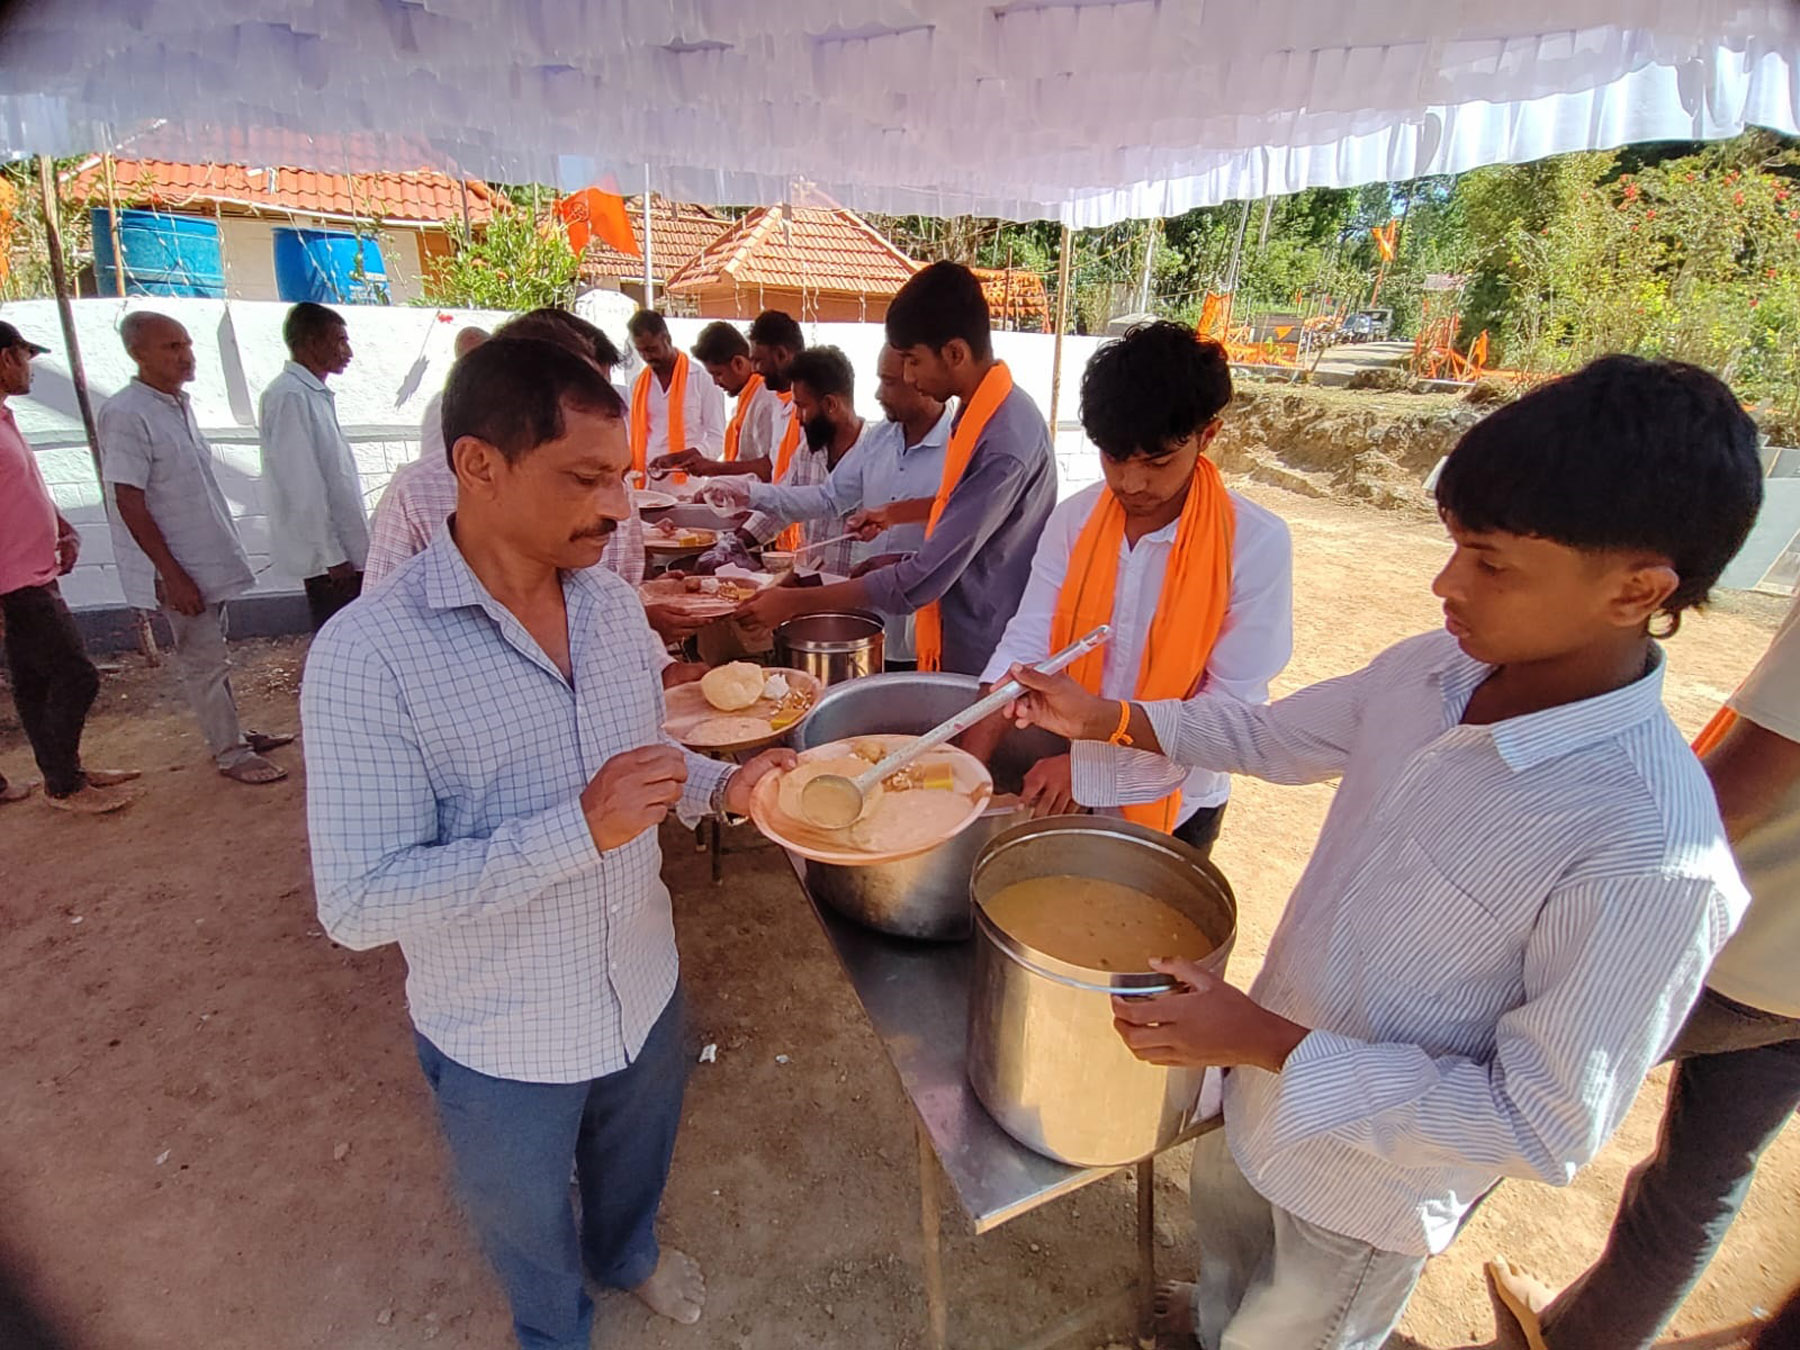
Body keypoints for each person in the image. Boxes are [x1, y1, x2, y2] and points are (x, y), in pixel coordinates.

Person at [999, 355, 1764, 1350]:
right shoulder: (1432, 672)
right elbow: (1269, 736)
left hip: (1363, 1194)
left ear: (1636, 590)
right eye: (1454, 546)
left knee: (1293, 1330)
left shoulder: (1652, 849)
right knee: (1227, 1266)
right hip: (1257, 1094)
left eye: (1490, 562)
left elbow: (1541, 1123)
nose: (1446, 583)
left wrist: (1270, 1044)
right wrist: (1112, 716)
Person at [301, 337, 793, 1350]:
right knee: (522, 1216)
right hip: (501, 1030)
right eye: (584, 479)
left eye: (618, 477)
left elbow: (646, 758)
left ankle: (627, 1255)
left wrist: (728, 785)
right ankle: (553, 1327)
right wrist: (575, 831)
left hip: (642, 979)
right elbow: (357, 902)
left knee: (635, 1157)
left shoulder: (613, 609)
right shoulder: (367, 655)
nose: (616, 509)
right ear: (478, 466)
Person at [1487, 590, 1800, 1350]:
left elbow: (1740, 789)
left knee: (1489, 1098)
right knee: (1700, 1184)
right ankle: (1579, 1339)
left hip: (1717, 941)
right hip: (1789, 985)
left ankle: (1334, 1292)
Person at [971, 322, 1292, 852]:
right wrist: (970, 759)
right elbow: (1030, 642)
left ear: (1207, 435)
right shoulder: (1075, 520)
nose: (1132, 483)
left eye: (1159, 461)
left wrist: (1092, 769)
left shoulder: (1255, 545)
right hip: (1066, 778)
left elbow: (1231, 711)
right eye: (1114, 458)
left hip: (1181, 802)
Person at [738, 263, 1057, 675]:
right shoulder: (979, 415)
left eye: (912, 361)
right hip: (957, 629)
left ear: (955, 353)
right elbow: (967, 536)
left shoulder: (1004, 441)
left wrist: (795, 603)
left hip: (984, 646)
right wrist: (895, 558)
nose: (909, 377)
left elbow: (924, 580)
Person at [98, 311, 292, 786]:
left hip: (204, 557)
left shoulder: (175, 406)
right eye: (170, 348)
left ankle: (231, 732)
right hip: (177, 566)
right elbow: (128, 498)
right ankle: (230, 753)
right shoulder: (126, 413)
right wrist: (170, 572)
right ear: (137, 354)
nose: (185, 356)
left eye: (186, 344)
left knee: (214, 654)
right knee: (202, 660)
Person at [703, 344, 951, 665]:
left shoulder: (958, 448)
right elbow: (829, 498)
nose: (877, 394)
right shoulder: (880, 440)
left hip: (931, 628)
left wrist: (796, 600)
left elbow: (958, 537)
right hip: (872, 623)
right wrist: (749, 493)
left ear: (921, 380)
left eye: (888, 382)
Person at [366, 313, 648, 592]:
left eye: (601, 392)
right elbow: (383, 616)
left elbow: (626, 589)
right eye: (584, 478)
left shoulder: (615, 494)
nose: (619, 509)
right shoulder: (416, 493)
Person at [0, 321, 139, 814]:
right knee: (77, 676)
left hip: (35, 573)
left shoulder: (5, 419)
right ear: (4, 358)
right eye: (25, 357)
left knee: (36, 684)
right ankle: (63, 783)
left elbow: (22, 488)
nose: (29, 369)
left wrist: (61, 527)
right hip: (16, 584)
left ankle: (65, 772)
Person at [257, 302, 367, 629]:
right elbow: (302, 484)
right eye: (340, 341)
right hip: (329, 562)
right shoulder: (289, 395)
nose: (348, 351)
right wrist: (332, 555)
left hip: (342, 552)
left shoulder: (312, 393)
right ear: (311, 342)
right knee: (342, 640)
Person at [655, 321, 785, 481]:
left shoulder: (765, 400)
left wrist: (715, 468)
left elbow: (770, 467)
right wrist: (678, 459)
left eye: (718, 374)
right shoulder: (746, 397)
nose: (716, 382)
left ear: (738, 363)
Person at [625, 309, 724, 477]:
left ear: (667, 339)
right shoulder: (637, 383)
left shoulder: (702, 378)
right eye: (641, 351)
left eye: (652, 349)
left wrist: (677, 459)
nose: (647, 356)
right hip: (645, 484)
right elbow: (630, 435)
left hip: (688, 485)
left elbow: (717, 439)